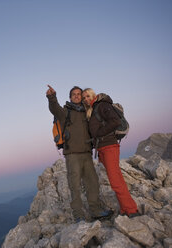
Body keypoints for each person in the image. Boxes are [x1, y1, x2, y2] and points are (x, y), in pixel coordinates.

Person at [46, 85, 113, 222]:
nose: (76, 96)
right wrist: (52, 97)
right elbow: (54, 109)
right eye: (74, 94)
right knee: (74, 185)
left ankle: (96, 211)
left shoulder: (87, 112)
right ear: (70, 97)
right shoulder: (65, 112)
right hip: (72, 155)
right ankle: (79, 215)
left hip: (87, 153)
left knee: (92, 182)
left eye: (78, 94)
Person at [82, 88, 139, 218]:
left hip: (109, 147)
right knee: (115, 179)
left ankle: (131, 210)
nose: (86, 99)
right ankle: (125, 208)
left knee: (115, 181)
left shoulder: (102, 105)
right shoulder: (93, 109)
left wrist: (99, 133)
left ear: (93, 95)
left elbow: (115, 121)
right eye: (84, 97)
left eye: (88, 96)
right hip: (102, 149)